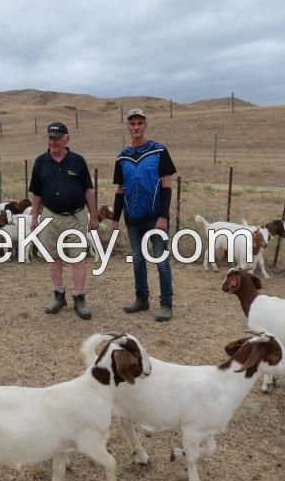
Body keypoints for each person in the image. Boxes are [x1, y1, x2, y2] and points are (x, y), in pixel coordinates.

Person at [112, 108, 176, 322]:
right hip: (133, 218)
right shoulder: (122, 157)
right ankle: (142, 299)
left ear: (145, 125)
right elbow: (120, 190)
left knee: (161, 260)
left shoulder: (158, 151)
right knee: (138, 259)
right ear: (128, 127)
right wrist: (115, 219)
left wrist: (163, 216)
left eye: (140, 123)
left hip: (156, 217)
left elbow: (167, 185)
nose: (136, 127)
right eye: (132, 124)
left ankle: (166, 304)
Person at [29, 122, 98, 320]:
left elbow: (88, 190)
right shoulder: (40, 162)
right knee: (54, 257)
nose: (53, 142)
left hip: (76, 216)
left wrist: (93, 215)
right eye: (50, 138)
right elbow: (37, 193)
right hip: (50, 216)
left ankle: (80, 298)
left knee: (78, 258)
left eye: (57, 138)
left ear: (67, 139)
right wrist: (34, 217)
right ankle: (59, 296)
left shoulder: (78, 161)